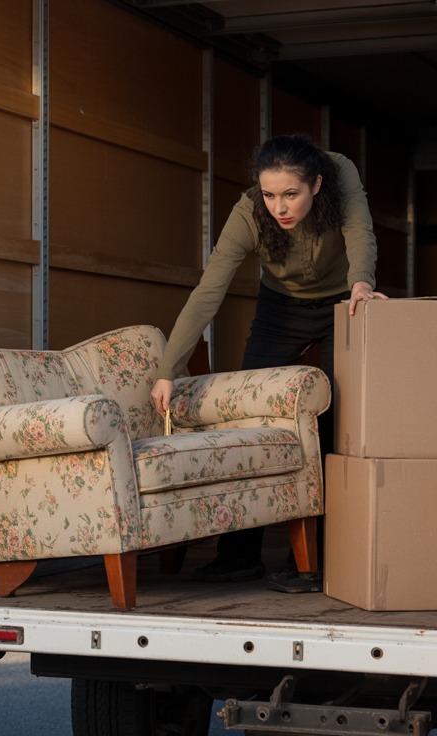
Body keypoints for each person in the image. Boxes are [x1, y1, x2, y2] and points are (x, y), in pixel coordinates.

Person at [149, 134, 386, 594]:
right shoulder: (248, 211)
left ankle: (328, 561)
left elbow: (361, 232)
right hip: (281, 308)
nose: (279, 206)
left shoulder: (341, 176)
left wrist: (361, 284)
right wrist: (168, 370)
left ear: (316, 185)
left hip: (345, 302)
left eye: (291, 194)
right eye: (270, 194)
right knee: (250, 418)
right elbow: (209, 290)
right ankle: (239, 557)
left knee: (335, 422)